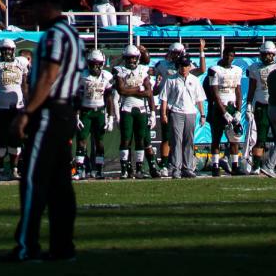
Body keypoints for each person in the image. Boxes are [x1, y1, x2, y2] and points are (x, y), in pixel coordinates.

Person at [1, 0, 84, 263]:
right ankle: (62, 246)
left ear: (48, 7)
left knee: (33, 179)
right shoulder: (73, 35)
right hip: (65, 111)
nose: (33, 14)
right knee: (60, 184)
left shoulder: (54, 36)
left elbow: (49, 76)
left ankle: (27, 246)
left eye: (35, 8)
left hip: (49, 110)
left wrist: (27, 113)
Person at [160, 54, 205, 179]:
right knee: (176, 141)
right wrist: (164, 113)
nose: (184, 68)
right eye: (182, 66)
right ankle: (175, 168)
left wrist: (202, 114)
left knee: (189, 141)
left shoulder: (194, 80)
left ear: (189, 66)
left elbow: (199, 99)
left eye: (186, 66)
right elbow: (164, 98)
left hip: (190, 112)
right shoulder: (171, 80)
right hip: (176, 112)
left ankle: (188, 167)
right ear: (178, 66)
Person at [0, 38, 29, 180]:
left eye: (9, 49)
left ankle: (14, 169)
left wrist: (27, 101)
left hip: (18, 107)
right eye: (4, 49)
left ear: (13, 50)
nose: (6, 52)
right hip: (0, 107)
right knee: (0, 141)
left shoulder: (21, 62)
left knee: (16, 140)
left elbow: (24, 84)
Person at [112, 45, 153, 179]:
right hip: (126, 109)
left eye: (134, 57)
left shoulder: (143, 69)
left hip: (141, 109)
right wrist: (139, 89)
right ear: (125, 58)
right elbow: (121, 90)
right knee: (126, 140)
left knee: (140, 139)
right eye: (129, 58)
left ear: (138, 58)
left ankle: (139, 169)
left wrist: (152, 112)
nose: (131, 60)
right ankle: (124, 169)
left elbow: (149, 92)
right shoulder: (120, 70)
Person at [74, 50, 115, 180]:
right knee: (81, 140)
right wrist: (76, 115)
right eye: (92, 64)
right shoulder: (82, 76)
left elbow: (109, 98)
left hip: (100, 111)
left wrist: (110, 117)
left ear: (102, 64)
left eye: (97, 64)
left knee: (99, 141)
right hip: (86, 111)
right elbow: (77, 97)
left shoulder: (107, 77)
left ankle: (98, 170)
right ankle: (80, 170)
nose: (94, 67)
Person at [205, 46, 244, 176]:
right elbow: (214, 92)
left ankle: (235, 165)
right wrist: (224, 112)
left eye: (231, 55)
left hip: (231, 105)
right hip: (218, 107)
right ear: (223, 55)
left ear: (234, 57)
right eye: (227, 55)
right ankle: (215, 166)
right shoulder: (214, 70)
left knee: (234, 138)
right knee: (216, 137)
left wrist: (238, 110)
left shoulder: (237, 70)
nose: (229, 58)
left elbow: (238, 91)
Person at [243, 41, 276, 175]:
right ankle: (256, 166)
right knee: (260, 138)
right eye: (264, 54)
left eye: (269, 54)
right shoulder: (254, 68)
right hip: (261, 106)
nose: (267, 57)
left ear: (274, 54)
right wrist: (249, 105)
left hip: (275, 105)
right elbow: (251, 88)